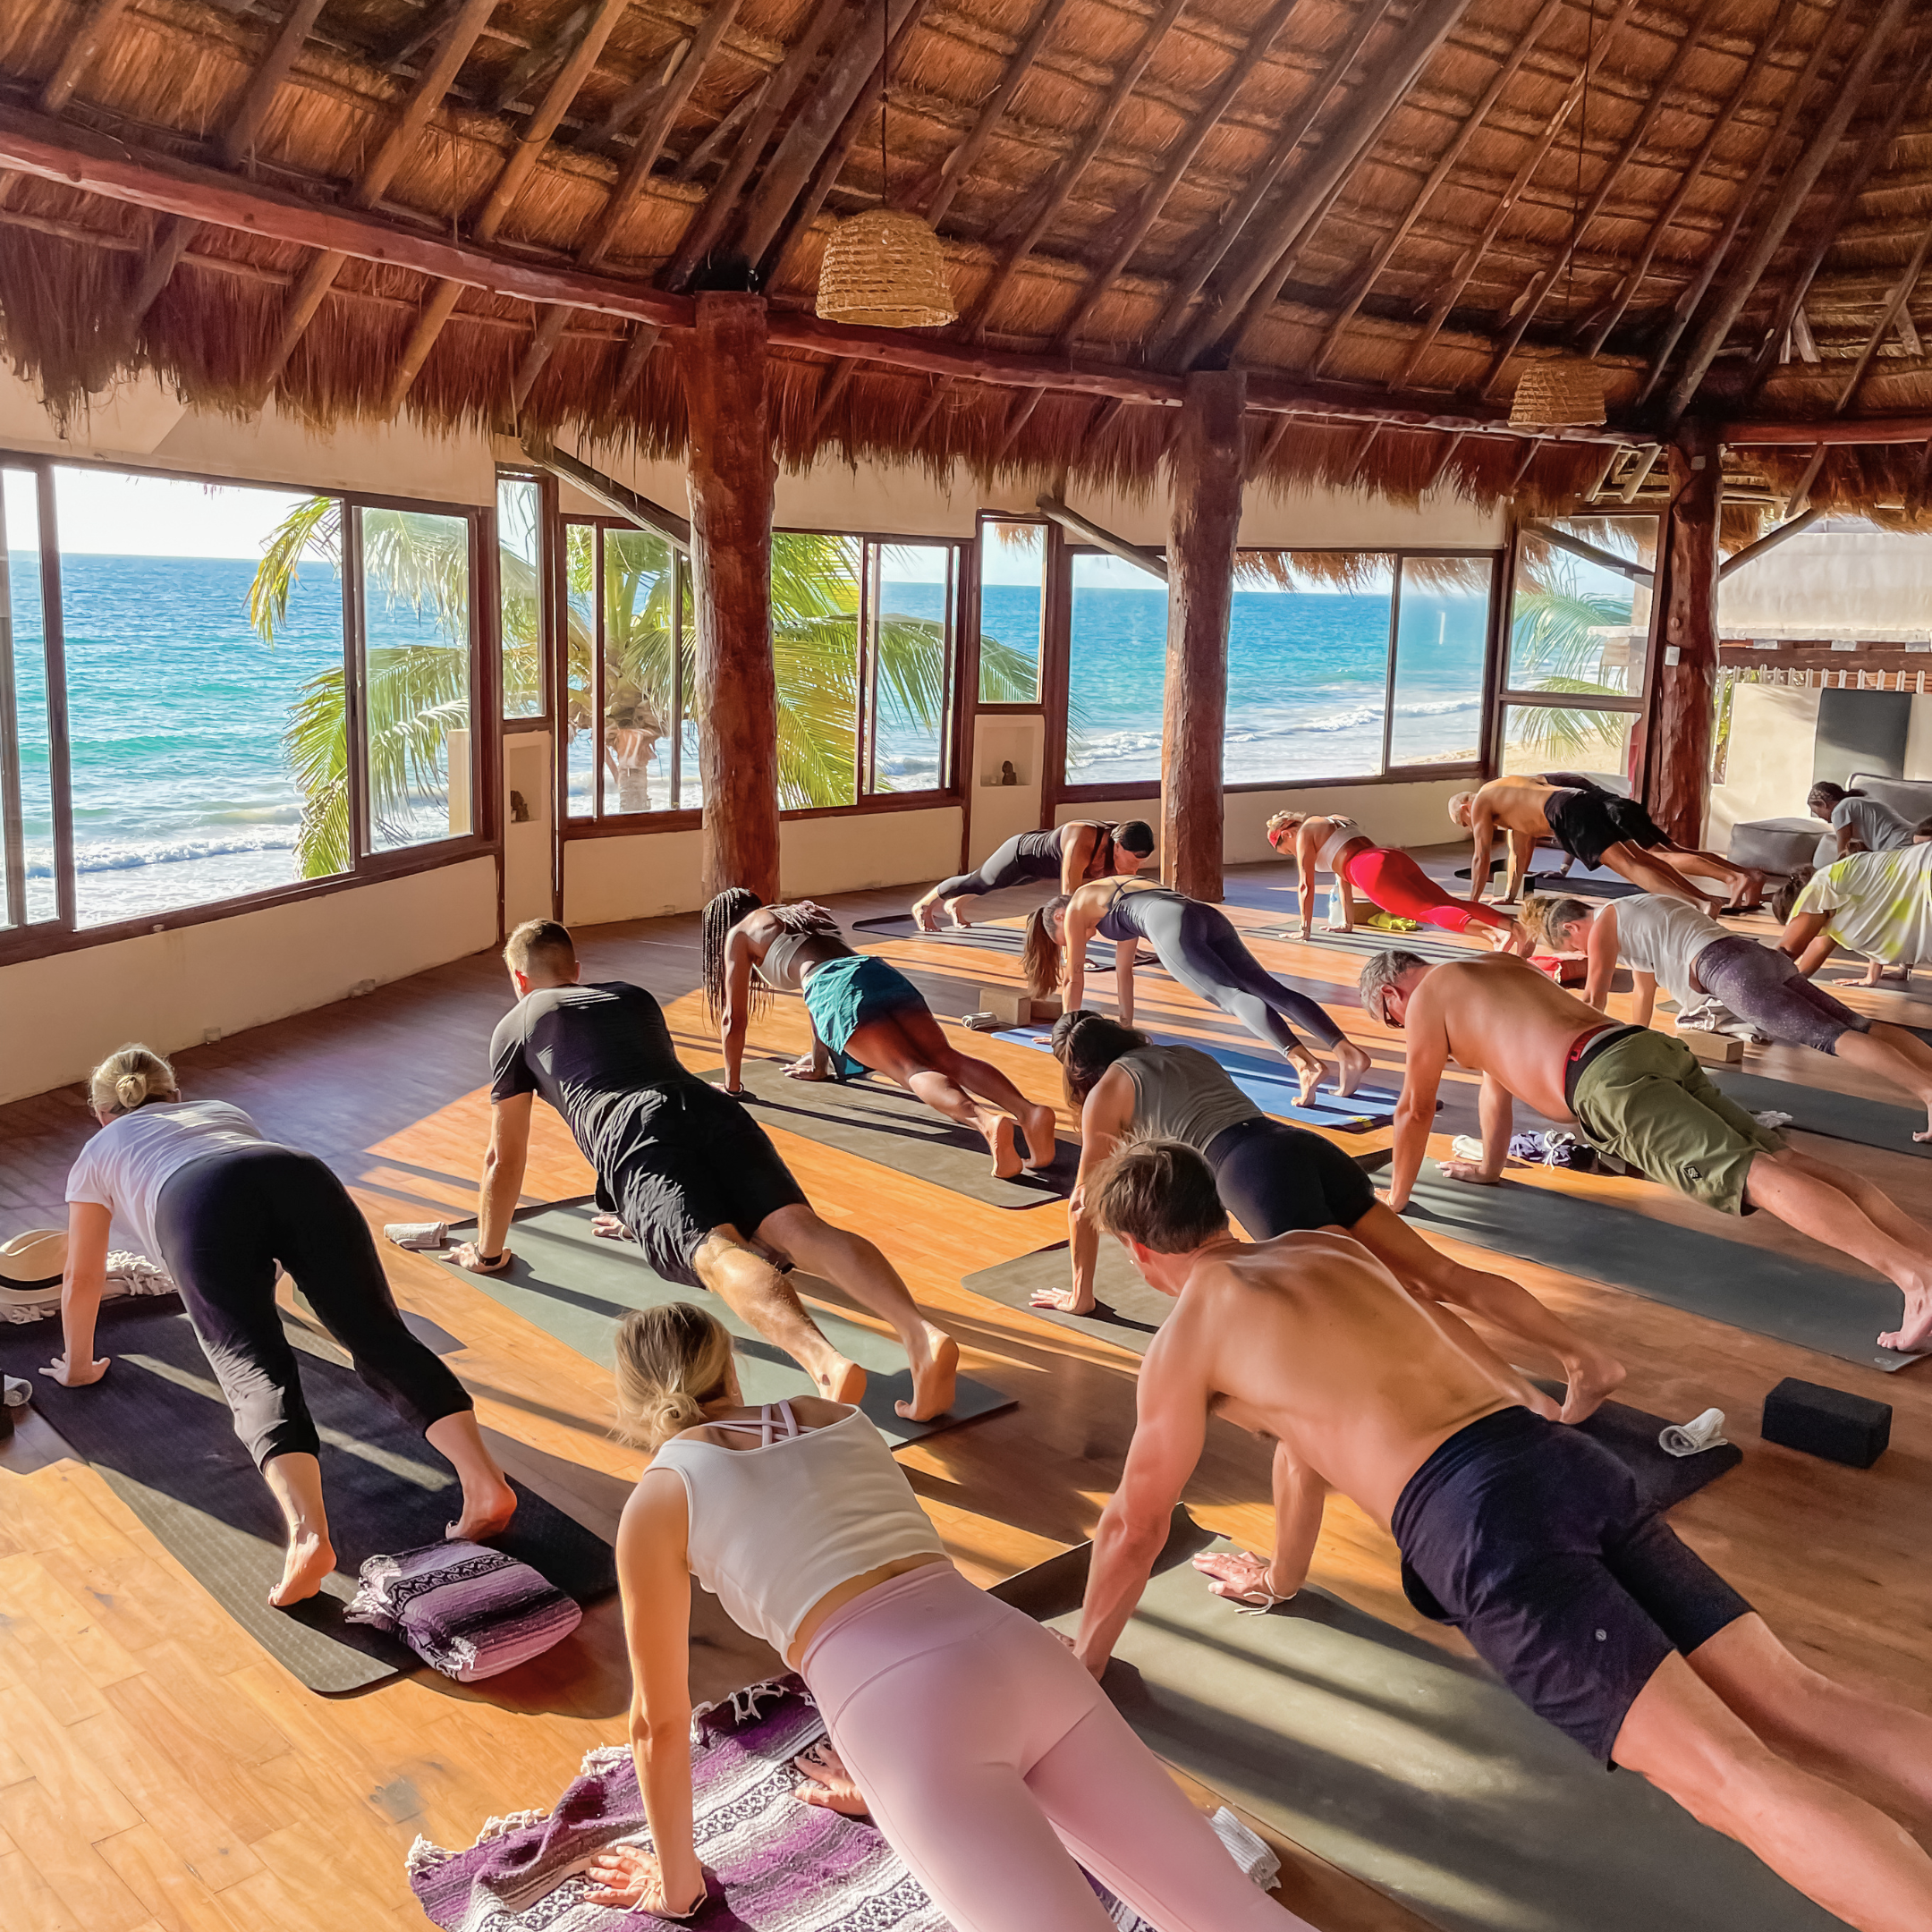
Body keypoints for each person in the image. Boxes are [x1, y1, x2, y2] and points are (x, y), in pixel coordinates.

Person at [1071, 1139, 1932, 1932]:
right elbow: (1319, 1441)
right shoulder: (1329, 1251)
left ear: (1141, 1251)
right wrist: (1283, 1577)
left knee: (1725, 1779)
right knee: (1804, 1701)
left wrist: (1085, 1666)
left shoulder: (1190, 1336)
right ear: (1215, 1211)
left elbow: (1134, 1525)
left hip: (1480, 1520)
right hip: (1560, 1458)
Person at [586, 1300, 1306, 1932]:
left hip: (905, 1717)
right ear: (729, 1367)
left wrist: (677, 1888)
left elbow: (658, 1720)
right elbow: (870, 1563)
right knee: (1237, 1915)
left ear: (630, 1399)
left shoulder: (660, 1499)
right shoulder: (840, 1418)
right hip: (1019, 1655)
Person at [51, 1046, 516, 1607]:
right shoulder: (221, 1112)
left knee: (251, 1366)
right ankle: (486, 1483)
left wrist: (78, 1366)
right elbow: (262, 1209)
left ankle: (309, 1538)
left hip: (196, 1203)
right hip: (299, 1172)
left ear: (102, 1113)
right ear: (175, 1095)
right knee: (379, 1335)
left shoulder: (98, 1150)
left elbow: (82, 1275)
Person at [455, 919, 958, 1420]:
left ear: (519, 980)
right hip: (710, 1106)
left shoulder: (516, 1024)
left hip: (633, 1131)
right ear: (578, 970)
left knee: (715, 1251)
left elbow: (505, 1155)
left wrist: (489, 1252)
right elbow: (659, 1094)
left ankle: (824, 1363)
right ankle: (922, 1335)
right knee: (802, 1230)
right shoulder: (633, 996)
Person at [1045, 1011, 1623, 1415]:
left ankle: (1529, 1407)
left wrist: (1082, 1294)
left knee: (1394, 1297)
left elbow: (1084, 1201)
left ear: (1078, 1070)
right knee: (1438, 1276)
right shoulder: (1180, 1053)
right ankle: (1587, 1360)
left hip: (1253, 1174)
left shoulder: (1106, 1092)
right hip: (1302, 1149)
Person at [1360, 947, 1932, 1353]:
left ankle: (1913, 1279)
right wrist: (1489, 1167)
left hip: (1608, 1083)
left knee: (1750, 1176)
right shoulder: (1491, 970)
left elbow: (1413, 1109)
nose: (1403, 1028)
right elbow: (1496, 1080)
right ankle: (1924, 1257)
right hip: (1644, 1047)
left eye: (1393, 1019)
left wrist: (1398, 1197)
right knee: (1785, 1161)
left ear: (1392, 993)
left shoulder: (1428, 999)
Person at [1522, 891, 1932, 1142]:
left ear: (1574, 928)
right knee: (1857, 1025)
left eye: (1576, 949)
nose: (1583, 954)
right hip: (1757, 955)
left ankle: (1928, 1093)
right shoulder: (1633, 911)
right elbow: (1643, 994)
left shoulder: (1604, 924)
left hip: (1729, 971)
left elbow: (1594, 997)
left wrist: (1553, 1039)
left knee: (1832, 1038)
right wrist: (1638, 1050)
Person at [703, 890, 1058, 1179]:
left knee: (909, 1069)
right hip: (876, 971)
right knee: (945, 1057)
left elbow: (734, 1017)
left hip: (836, 989)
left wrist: (733, 1086)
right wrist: (820, 1063)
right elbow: (819, 992)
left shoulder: (740, 934)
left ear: (723, 921)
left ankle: (987, 1122)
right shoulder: (802, 912)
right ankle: (1028, 1112)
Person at [1021, 877, 1371, 1107]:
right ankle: (1348, 1052)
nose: (1074, 942)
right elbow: (1124, 972)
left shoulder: (1078, 906)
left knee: (1228, 995)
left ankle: (1304, 1063)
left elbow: (1074, 978)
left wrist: (1066, 1034)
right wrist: (1126, 1025)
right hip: (1201, 914)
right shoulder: (1108, 900)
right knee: (1267, 988)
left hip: (1168, 921)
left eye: (1062, 940)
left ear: (1061, 916)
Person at [1448, 774, 1763, 914]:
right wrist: (1509, 895)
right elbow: (1520, 851)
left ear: (1465, 809)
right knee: (1643, 858)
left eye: (1467, 823)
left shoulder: (1481, 802)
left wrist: (1471, 903)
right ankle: (1706, 898)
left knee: (1629, 866)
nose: (1477, 826)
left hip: (1564, 810)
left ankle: (1699, 905)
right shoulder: (1507, 792)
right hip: (1582, 800)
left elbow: (1481, 856)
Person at [1266, 809, 1522, 949]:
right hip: (1388, 856)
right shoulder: (1335, 819)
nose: (1293, 854)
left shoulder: (1304, 835)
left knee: (1429, 911)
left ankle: (1494, 936)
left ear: (1286, 835)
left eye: (1287, 851)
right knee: (1446, 900)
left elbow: (1305, 885)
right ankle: (1514, 928)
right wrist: (1347, 923)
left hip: (1367, 868)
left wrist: (1304, 930)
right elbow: (1341, 880)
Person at [911, 819, 1156, 930]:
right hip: (1021, 855)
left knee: (993, 887)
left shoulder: (1119, 844)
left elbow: (1119, 897)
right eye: (1134, 860)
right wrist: (1070, 952)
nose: (1135, 869)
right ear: (1118, 847)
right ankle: (924, 905)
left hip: (1040, 871)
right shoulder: (1083, 837)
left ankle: (954, 906)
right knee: (980, 881)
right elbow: (1068, 898)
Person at [1775, 825, 1932, 987]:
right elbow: (1816, 953)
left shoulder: (1821, 886)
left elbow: (1787, 950)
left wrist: (1759, 984)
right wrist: (1871, 977)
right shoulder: (1841, 903)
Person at [1807, 781, 1915, 860]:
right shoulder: (1860, 801)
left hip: (1899, 845)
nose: (1820, 817)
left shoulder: (1840, 810)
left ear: (1822, 804)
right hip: (1913, 837)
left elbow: (1842, 855)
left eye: (1816, 812)